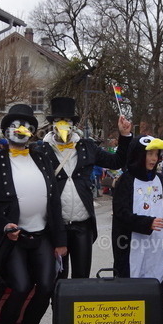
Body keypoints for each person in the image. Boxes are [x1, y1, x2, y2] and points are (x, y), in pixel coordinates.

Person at [0, 103, 67, 324]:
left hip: (42, 234)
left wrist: (60, 240)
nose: (21, 130)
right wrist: (5, 225)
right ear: (6, 131)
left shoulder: (42, 158)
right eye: (15, 126)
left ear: (33, 132)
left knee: (46, 287)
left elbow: (54, 201)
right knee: (20, 286)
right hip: (15, 236)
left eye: (27, 126)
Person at [36, 96, 131, 279]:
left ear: (73, 124)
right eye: (58, 121)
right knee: (58, 279)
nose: (63, 125)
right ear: (52, 124)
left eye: (67, 121)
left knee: (81, 279)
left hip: (82, 225)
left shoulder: (86, 147)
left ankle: (77, 308)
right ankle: (59, 308)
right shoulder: (42, 151)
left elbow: (117, 161)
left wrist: (124, 136)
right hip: (57, 226)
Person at [112, 135, 163, 280]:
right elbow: (121, 213)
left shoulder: (160, 180)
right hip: (131, 244)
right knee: (132, 284)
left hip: (156, 243)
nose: (154, 159)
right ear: (139, 155)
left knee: (155, 280)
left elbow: (162, 211)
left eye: (156, 154)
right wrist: (147, 223)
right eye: (150, 154)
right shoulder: (126, 180)